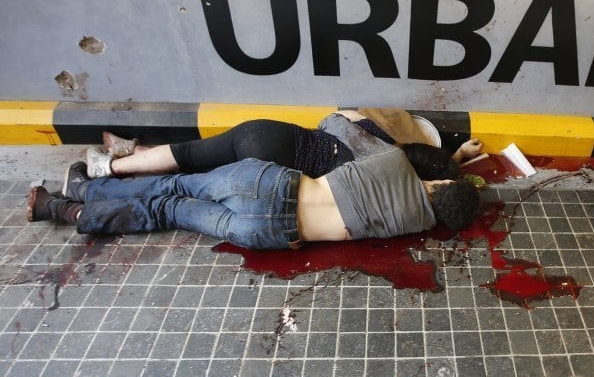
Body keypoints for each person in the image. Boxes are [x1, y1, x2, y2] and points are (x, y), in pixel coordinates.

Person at [27, 146, 481, 250]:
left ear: (441, 185)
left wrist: (455, 160)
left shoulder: (397, 165)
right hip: (268, 232)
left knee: (173, 184)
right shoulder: (412, 225)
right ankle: (66, 209)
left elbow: (417, 156)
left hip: (269, 185)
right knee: (170, 211)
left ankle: (85, 186)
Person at [87, 109, 483, 180]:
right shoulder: (386, 177)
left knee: (193, 152)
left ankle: (130, 156)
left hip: (274, 132)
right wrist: (459, 159)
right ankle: (113, 166)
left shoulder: (380, 140)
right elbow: (432, 180)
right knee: (202, 169)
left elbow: (338, 118)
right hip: (280, 163)